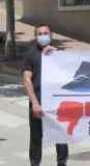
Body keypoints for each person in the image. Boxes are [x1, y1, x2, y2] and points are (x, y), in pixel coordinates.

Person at [23, 24, 69, 166]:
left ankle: (62, 162)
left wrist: (56, 54)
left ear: (51, 35)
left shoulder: (59, 54)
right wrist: (35, 103)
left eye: (46, 33)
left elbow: (69, 73)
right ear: (36, 36)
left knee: (60, 137)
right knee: (36, 138)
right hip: (38, 103)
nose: (43, 36)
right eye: (40, 33)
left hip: (57, 104)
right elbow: (26, 79)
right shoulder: (30, 55)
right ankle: (35, 163)